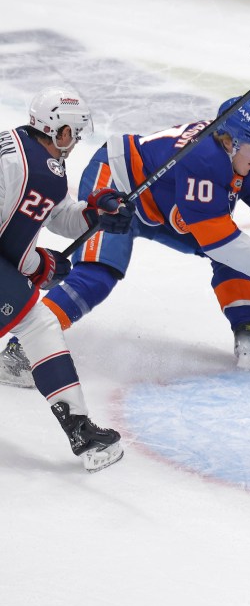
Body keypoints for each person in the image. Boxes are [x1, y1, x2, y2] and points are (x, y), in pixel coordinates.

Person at [0, 96, 250, 381]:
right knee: (98, 273)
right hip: (120, 188)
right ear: (230, 142)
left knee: (236, 255)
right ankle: (23, 349)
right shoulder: (203, 159)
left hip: (168, 206)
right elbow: (217, 238)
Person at [0, 87, 135, 471]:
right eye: (73, 134)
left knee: (35, 321)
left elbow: (53, 214)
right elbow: (14, 240)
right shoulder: (41, 169)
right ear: (58, 131)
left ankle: (80, 428)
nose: (73, 143)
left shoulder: (17, 144)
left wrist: (95, 214)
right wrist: (39, 266)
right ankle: (82, 433)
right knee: (37, 322)